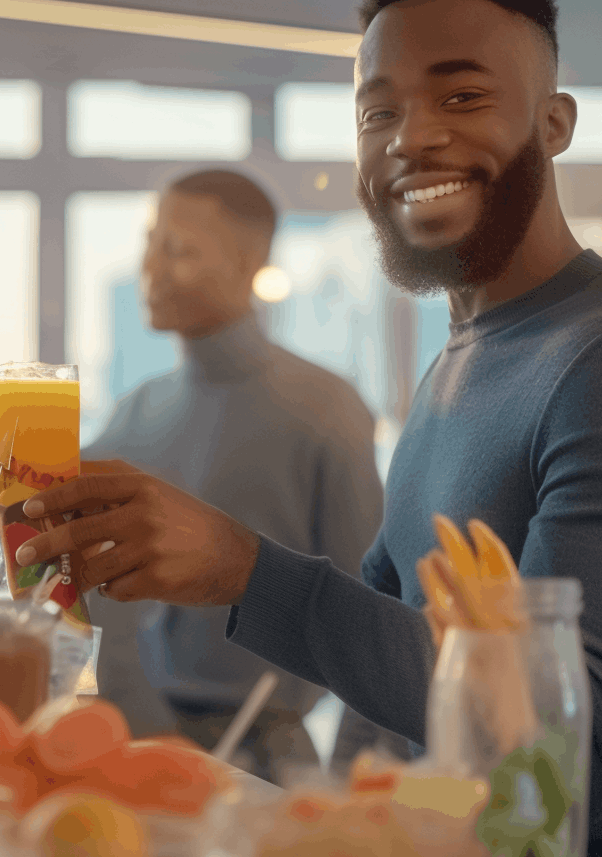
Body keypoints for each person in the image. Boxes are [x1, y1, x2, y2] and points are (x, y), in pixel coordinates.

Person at [16, 0, 602, 852]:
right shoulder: (463, 354)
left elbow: (580, 748)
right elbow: (392, 649)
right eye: (379, 110)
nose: (412, 136)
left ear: (554, 124)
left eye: (462, 97)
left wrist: (243, 567)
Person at [85, 169, 384, 778]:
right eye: (151, 242)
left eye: (181, 251)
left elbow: (367, 606)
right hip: (138, 740)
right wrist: (146, 726)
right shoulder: (133, 415)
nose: (152, 268)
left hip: (266, 753)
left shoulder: (325, 410)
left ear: (251, 262)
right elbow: (93, 597)